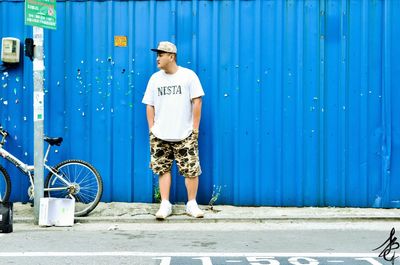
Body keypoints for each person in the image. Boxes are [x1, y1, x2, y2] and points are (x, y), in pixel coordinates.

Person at [142, 41, 205, 220]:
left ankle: (191, 204)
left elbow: (197, 101)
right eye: (157, 55)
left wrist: (195, 129)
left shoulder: (188, 76)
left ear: (172, 56)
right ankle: (165, 204)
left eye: (161, 55)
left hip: (185, 133)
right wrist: (152, 129)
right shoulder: (155, 78)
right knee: (163, 169)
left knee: (191, 169)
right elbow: (149, 104)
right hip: (160, 134)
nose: (158, 58)